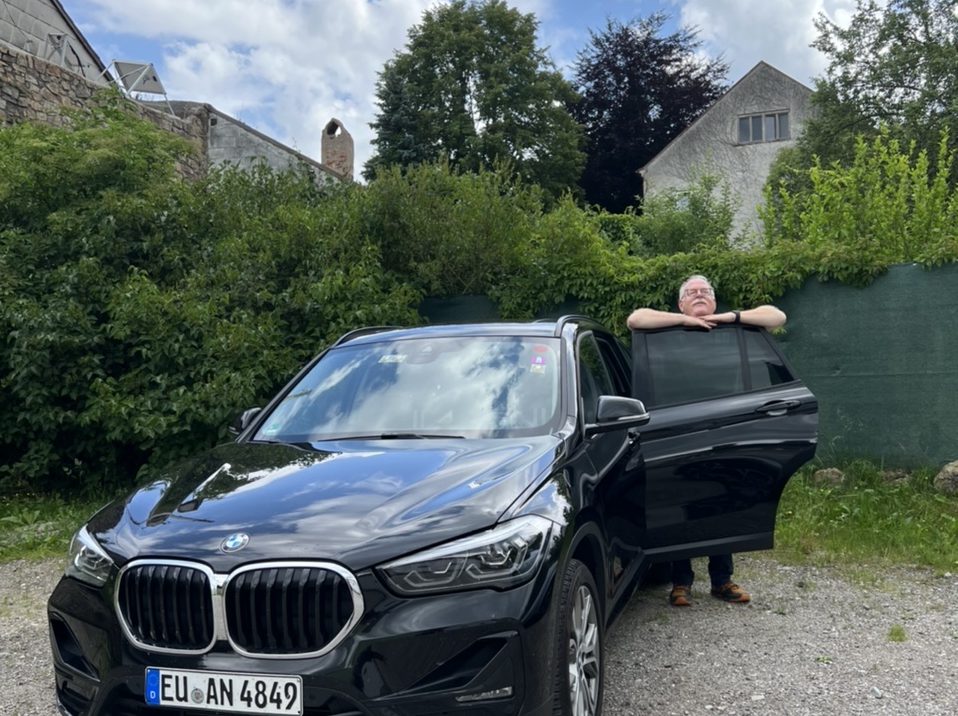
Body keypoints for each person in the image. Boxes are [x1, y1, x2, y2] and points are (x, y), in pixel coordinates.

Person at [627, 274, 787, 607]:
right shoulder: (667, 329)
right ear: (681, 303)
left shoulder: (732, 327)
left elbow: (777, 316)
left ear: (714, 300)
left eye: (705, 291)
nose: (699, 295)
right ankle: (681, 582)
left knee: (722, 500)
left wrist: (730, 317)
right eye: (692, 292)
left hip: (725, 426)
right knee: (679, 502)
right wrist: (684, 321)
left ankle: (722, 580)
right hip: (676, 427)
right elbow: (635, 319)